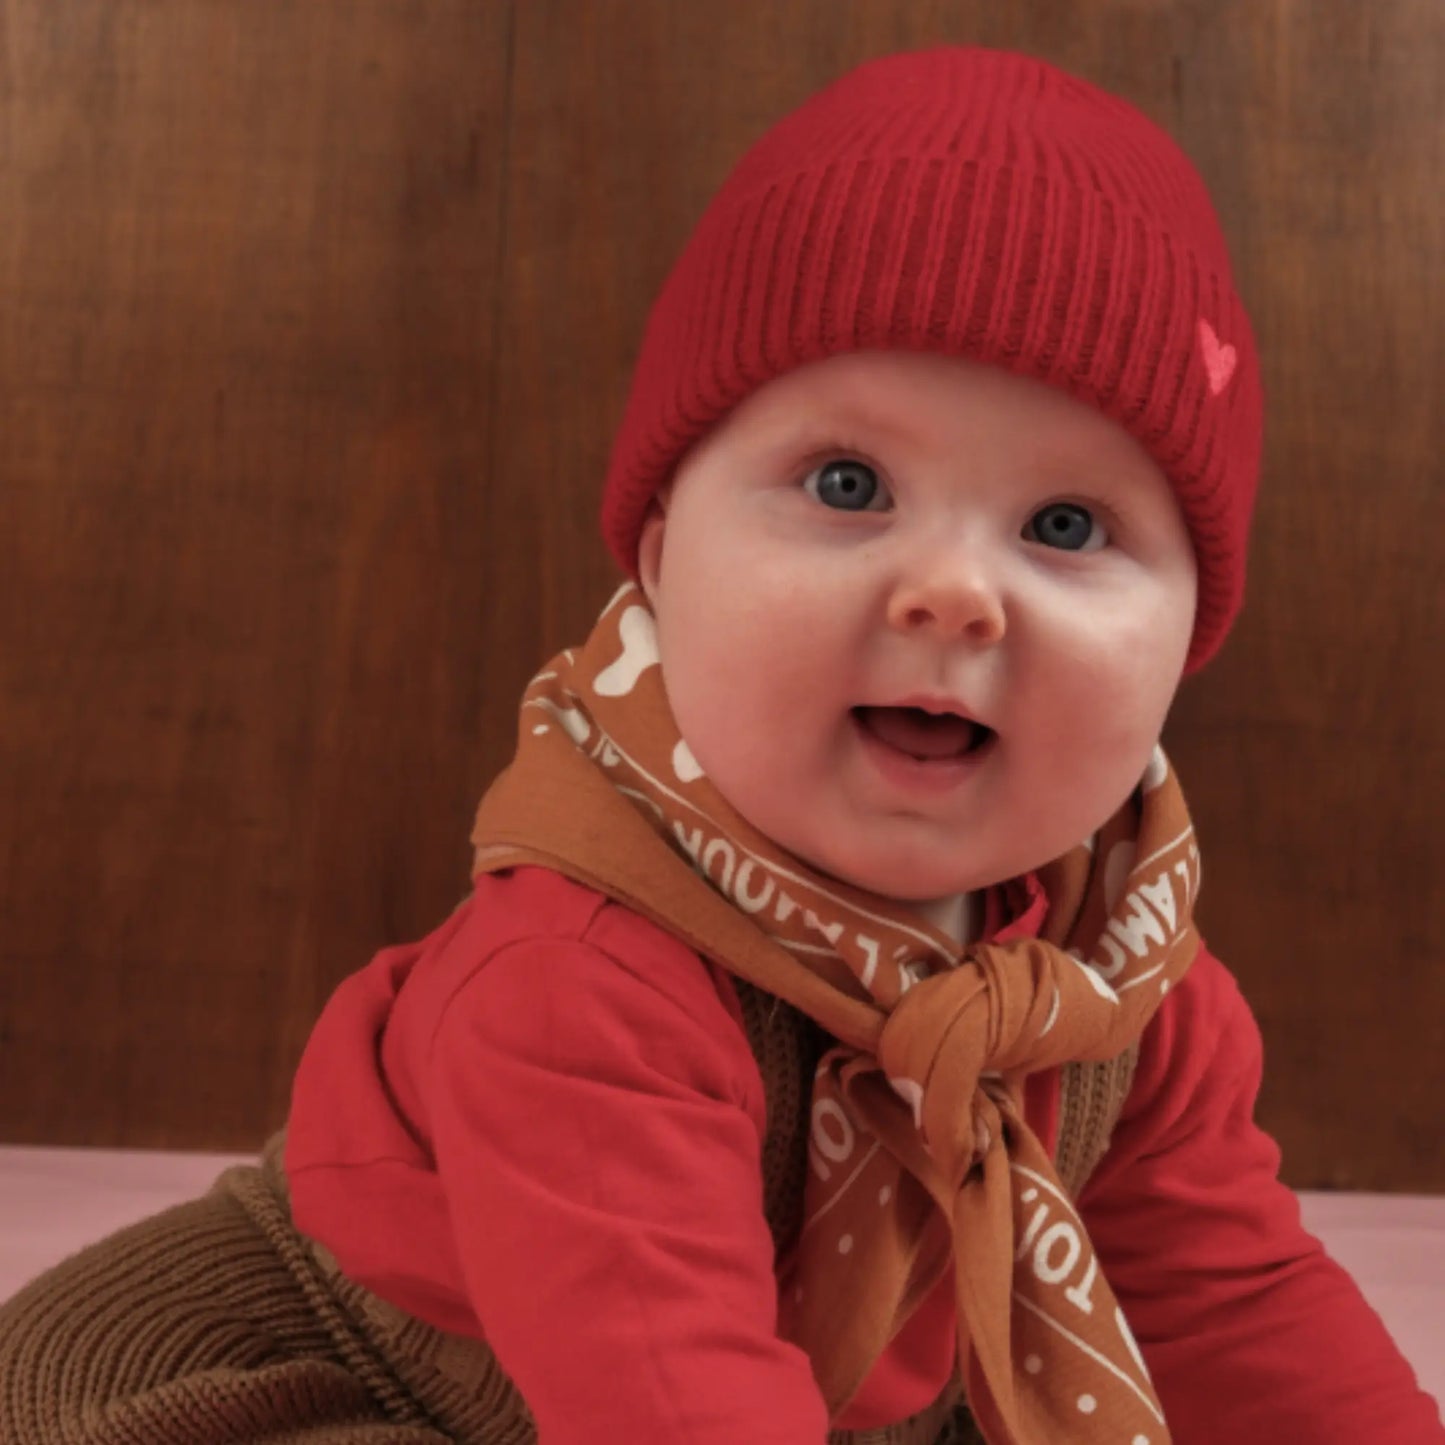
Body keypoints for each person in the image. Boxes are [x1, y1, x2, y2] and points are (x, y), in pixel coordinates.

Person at [1, 44, 1439, 1445]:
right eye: (847, 481)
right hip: (386, 1373)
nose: (952, 590)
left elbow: (1232, 1309)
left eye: (1064, 525)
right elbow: (666, 1398)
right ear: (659, 552)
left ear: (1190, 635)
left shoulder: (1118, 983)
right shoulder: (579, 975)